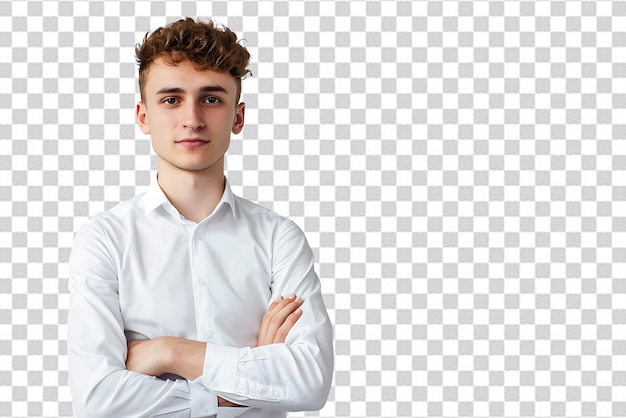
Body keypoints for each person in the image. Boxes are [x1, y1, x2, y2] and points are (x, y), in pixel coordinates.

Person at [67, 17, 333, 418]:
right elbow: (98, 399)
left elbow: (310, 383)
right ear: (143, 116)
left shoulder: (280, 238)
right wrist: (253, 379)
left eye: (211, 99)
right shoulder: (104, 238)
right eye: (171, 99)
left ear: (238, 117)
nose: (191, 118)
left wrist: (167, 352)